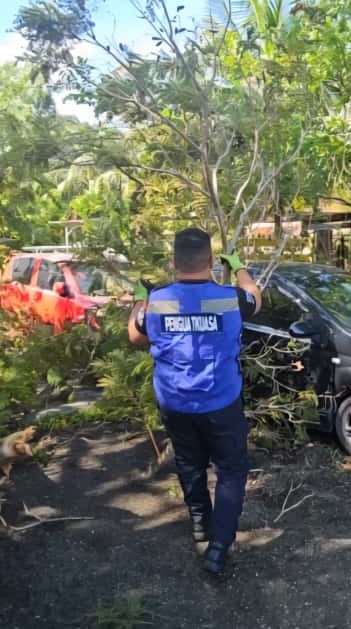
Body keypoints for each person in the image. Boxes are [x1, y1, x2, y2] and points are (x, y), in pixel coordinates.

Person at [127, 228, 262, 576]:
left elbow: (133, 334)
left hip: (175, 403)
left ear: (173, 262)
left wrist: (140, 299)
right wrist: (240, 266)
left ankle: (201, 525)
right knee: (231, 471)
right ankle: (219, 546)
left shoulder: (157, 301)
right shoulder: (230, 298)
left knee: (189, 463)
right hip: (222, 403)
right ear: (212, 262)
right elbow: (255, 296)